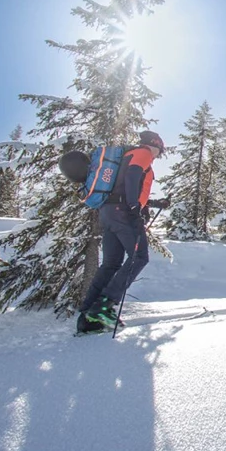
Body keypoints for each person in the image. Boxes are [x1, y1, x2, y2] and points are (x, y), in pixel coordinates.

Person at [79, 130, 170, 330]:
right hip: (123, 212)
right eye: (160, 152)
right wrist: (134, 207)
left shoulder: (128, 154)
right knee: (139, 257)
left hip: (109, 212)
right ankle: (104, 305)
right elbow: (132, 177)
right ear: (155, 145)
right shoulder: (144, 153)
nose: (158, 156)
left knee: (111, 263)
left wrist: (153, 203)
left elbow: (126, 186)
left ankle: (88, 315)